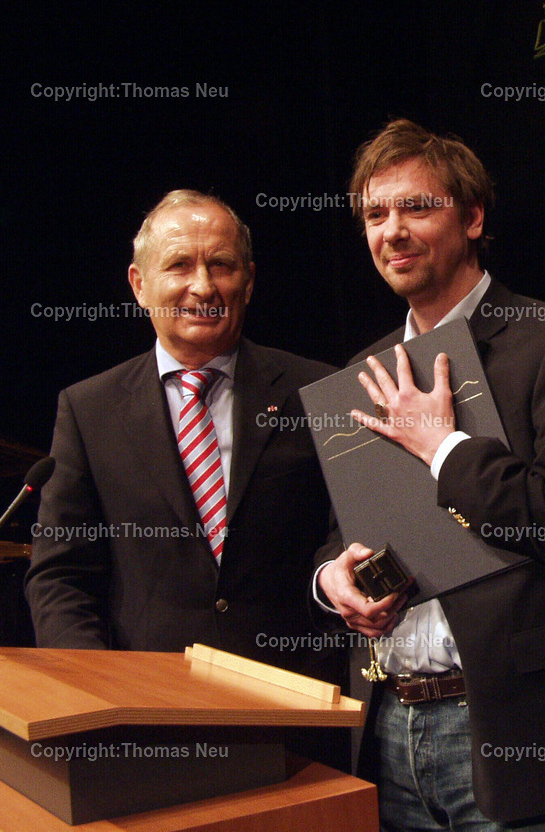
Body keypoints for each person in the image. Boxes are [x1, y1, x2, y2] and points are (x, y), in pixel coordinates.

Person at [313, 119, 545, 830]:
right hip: (390, 730)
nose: (392, 231)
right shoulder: (361, 371)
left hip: (517, 736)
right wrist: (331, 579)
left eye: (416, 207)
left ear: (472, 216)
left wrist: (444, 448)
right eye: (375, 214)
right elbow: (339, 533)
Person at [26, 190, 343, 691]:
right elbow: (61, 576)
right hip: (147, 708)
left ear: (250, 280)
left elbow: (345, 530)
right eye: (178, 266)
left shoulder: (318, 392)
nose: (203, 286)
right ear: (139, 284)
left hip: (296, 703)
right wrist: (95, 684)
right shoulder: (89, 410)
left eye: (221, 265)